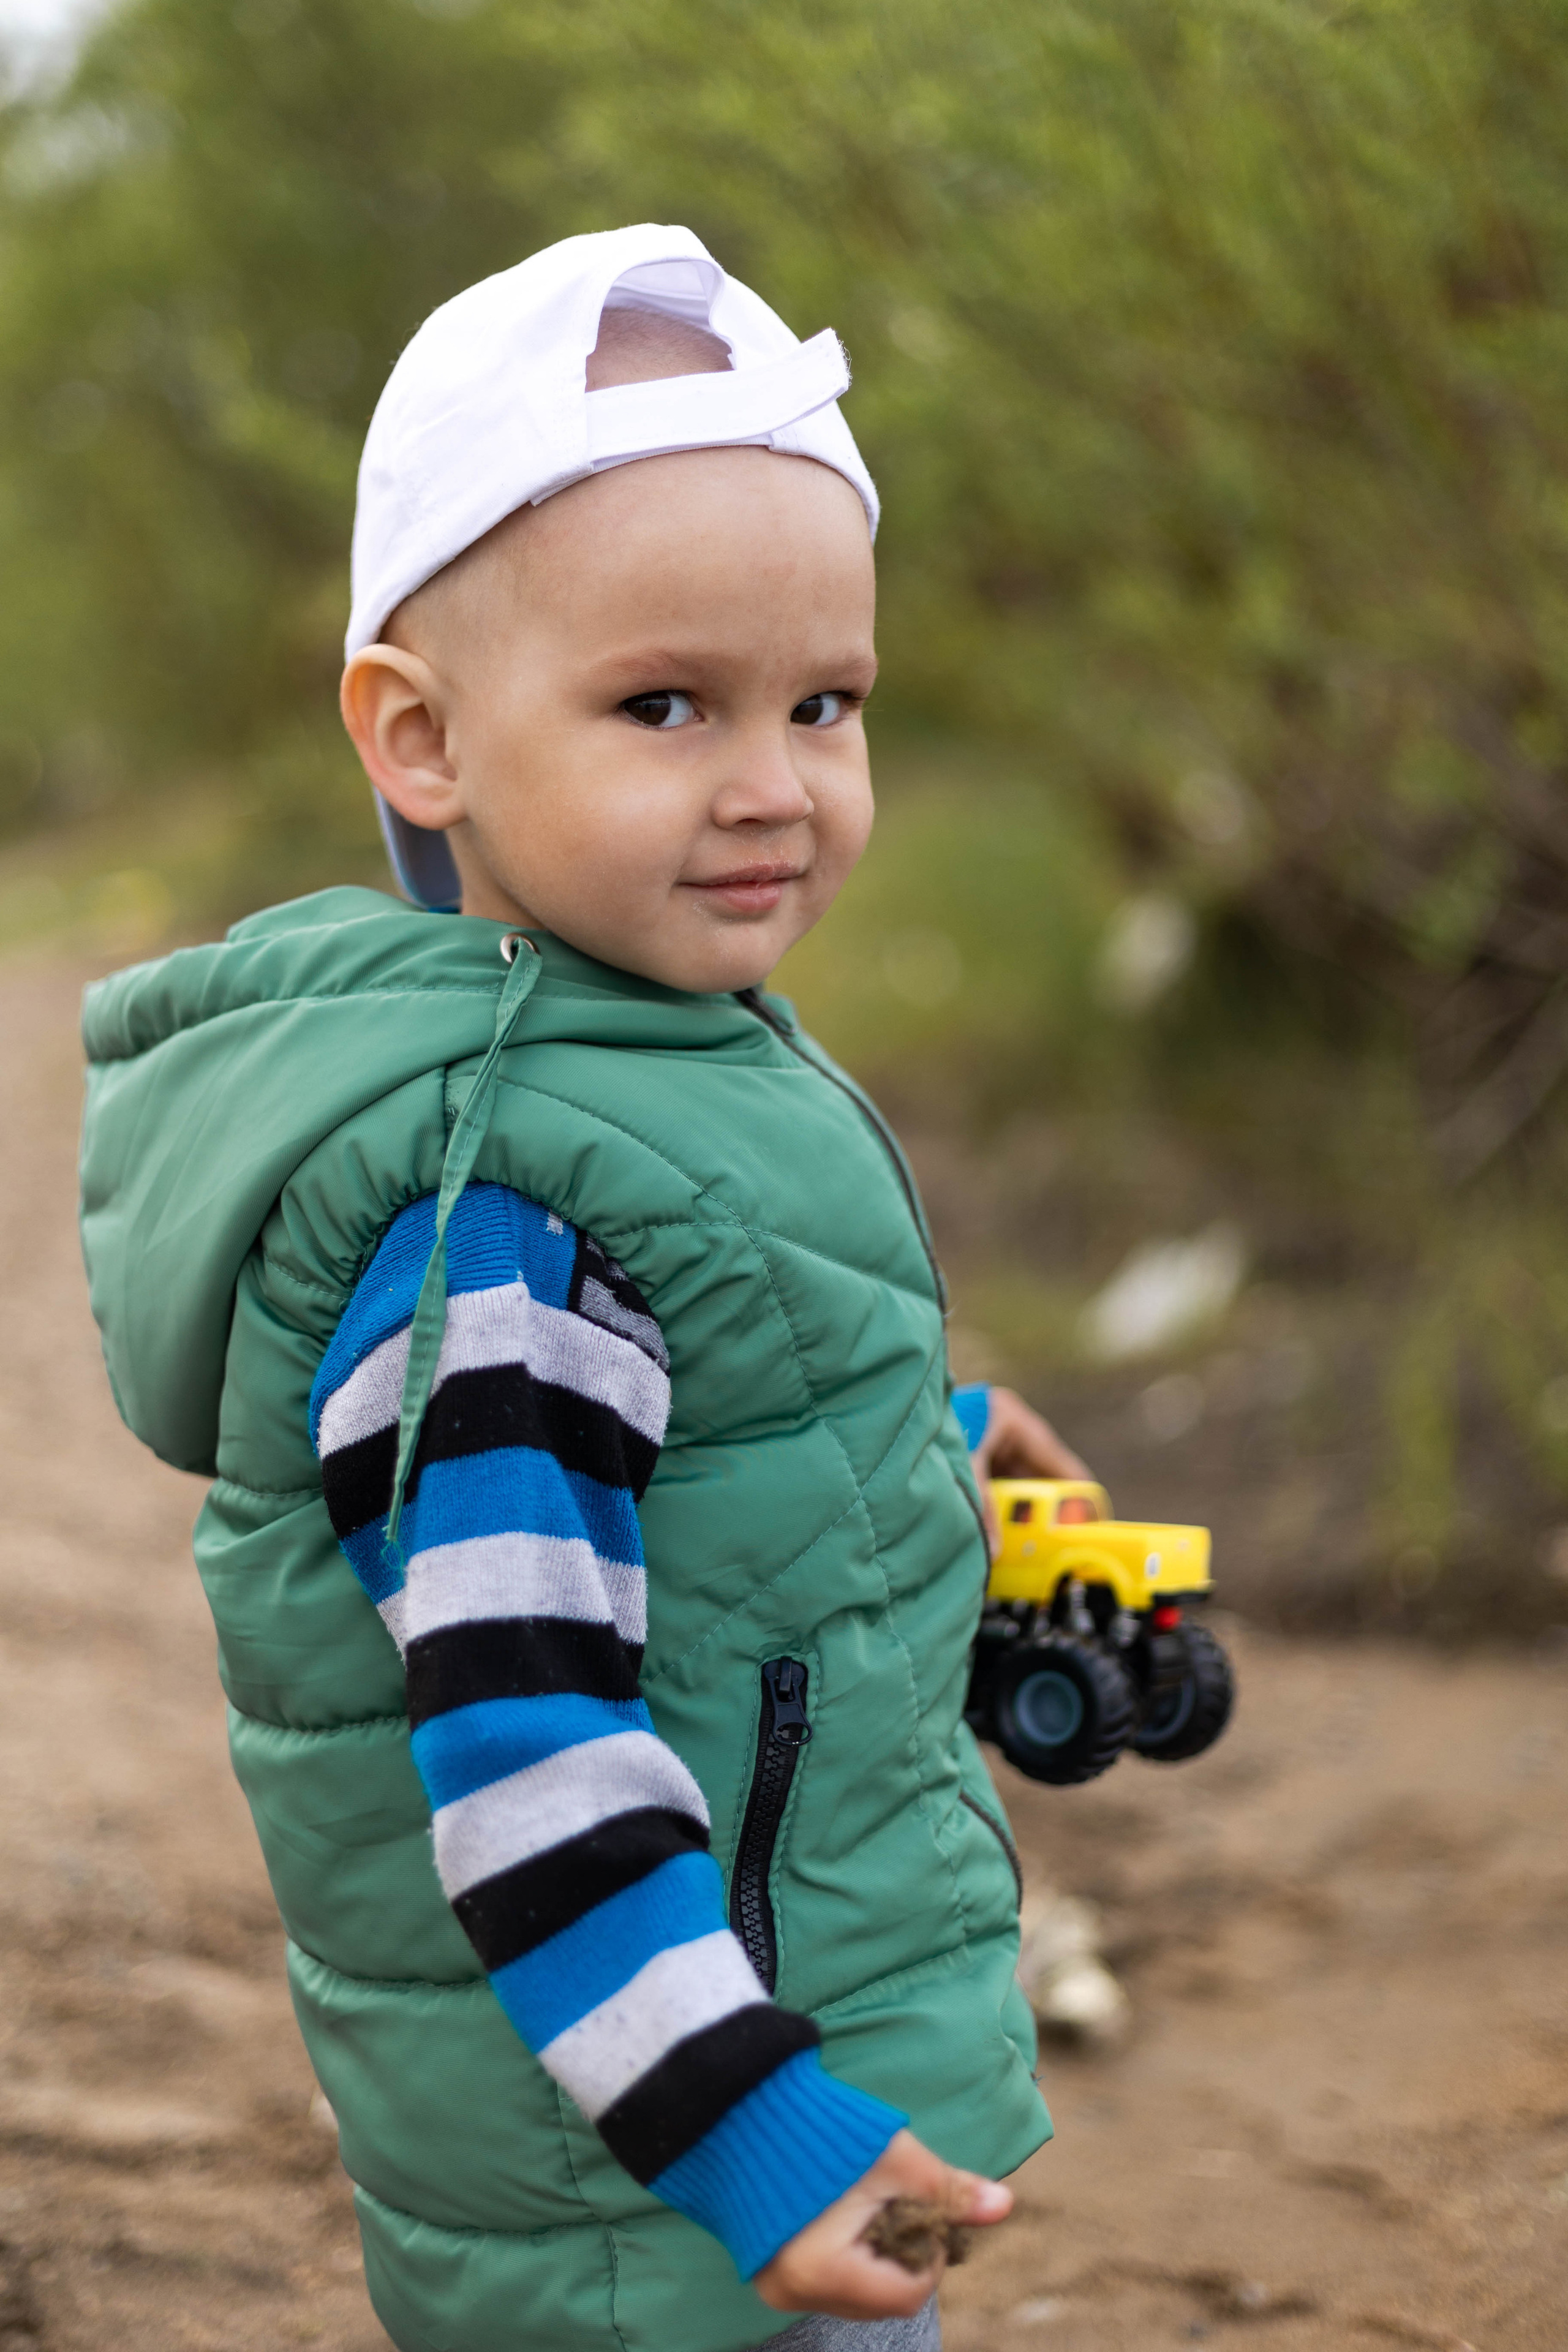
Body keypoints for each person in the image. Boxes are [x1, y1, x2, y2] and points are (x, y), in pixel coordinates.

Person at [79, 225, 1085, 2352]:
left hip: (779, 2082)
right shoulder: (496, 1224)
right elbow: (520, 1731)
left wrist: (944, 1459)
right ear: (423, 741)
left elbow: (715, 1476)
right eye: (665, 705)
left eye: (825, 703)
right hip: (664, 2196)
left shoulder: (653, 1058)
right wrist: (753, 2139)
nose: (772, 784)